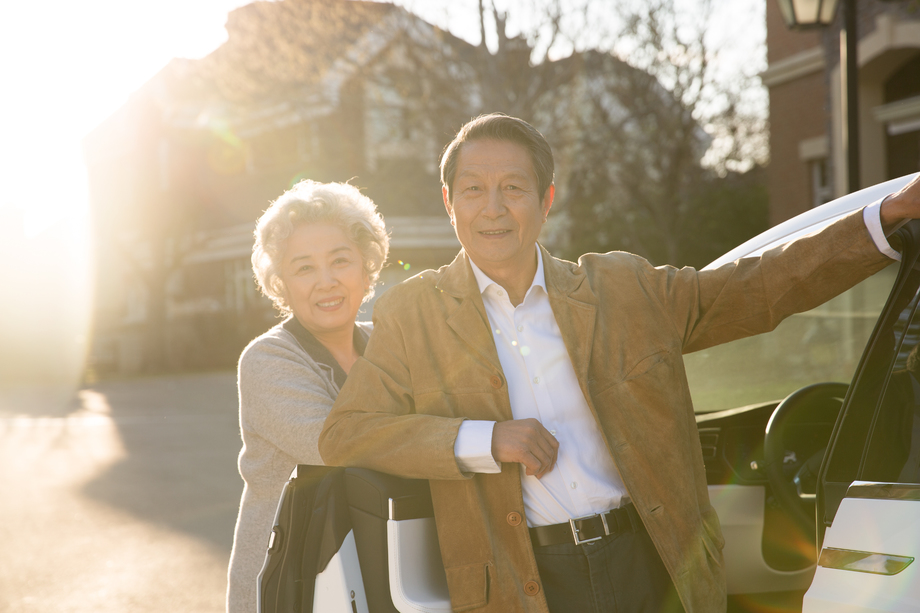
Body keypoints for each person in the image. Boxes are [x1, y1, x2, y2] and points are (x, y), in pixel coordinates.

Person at [319, 113, 920, 613]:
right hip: (523, 582)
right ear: (450, 203)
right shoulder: (412, 314)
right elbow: (348, 431)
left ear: (546, 200)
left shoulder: (623, 288)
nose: (493, 208)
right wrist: (485, 439)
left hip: (651, 564)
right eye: (473, 189)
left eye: (514, 187)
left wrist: (886, 215)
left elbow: (755, 288)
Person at [226, 180, 389, 613]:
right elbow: (339, 446)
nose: (326, 281)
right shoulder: (267, 359)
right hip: (290, 580)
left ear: (366, 268)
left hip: (375, 570)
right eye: (304, 268)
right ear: (281, 283)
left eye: (340, 260)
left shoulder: (388, 344)